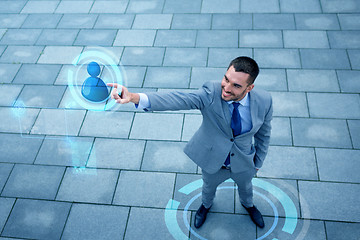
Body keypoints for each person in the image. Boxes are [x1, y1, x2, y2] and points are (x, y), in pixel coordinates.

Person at [107, 56, 273, 229]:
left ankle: (248, 205)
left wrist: (258, 162)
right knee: (208, 188)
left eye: (236, 85)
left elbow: (264, 135)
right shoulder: (210, 93)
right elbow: (177, 99)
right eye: (226, 79)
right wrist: (134, 97)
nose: (226, 88)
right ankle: (205, 206)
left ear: (250, 87)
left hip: (245, 161)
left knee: (246, 188)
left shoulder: (264, 100)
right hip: (213, 160)